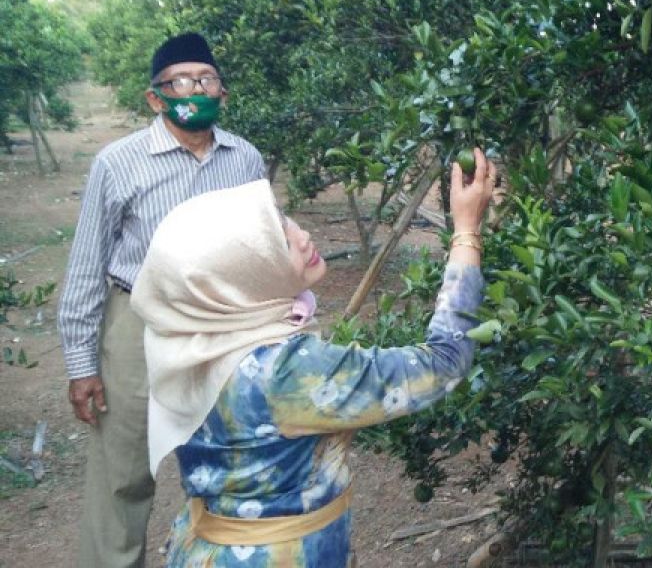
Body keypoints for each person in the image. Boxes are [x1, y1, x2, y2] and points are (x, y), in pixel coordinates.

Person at [130, 151, 494, 567]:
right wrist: (466, 231)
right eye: (279, 242)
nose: (301, 235)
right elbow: (444, 362)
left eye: (283, 219)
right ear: (240, 275)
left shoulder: (189, 336)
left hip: (205, 546)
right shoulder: (285, 370)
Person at [58, 32, 266, 567]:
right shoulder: (118, 162)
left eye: (206, 79)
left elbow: (265, 245)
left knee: (228, 456)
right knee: (125, 473)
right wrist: (83, 365)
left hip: (223, 326)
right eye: (181, 82)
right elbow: (86, 266)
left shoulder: (244, 159)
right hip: (138, 323)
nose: (194, 89)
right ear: (156, 97)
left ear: (222, 92)